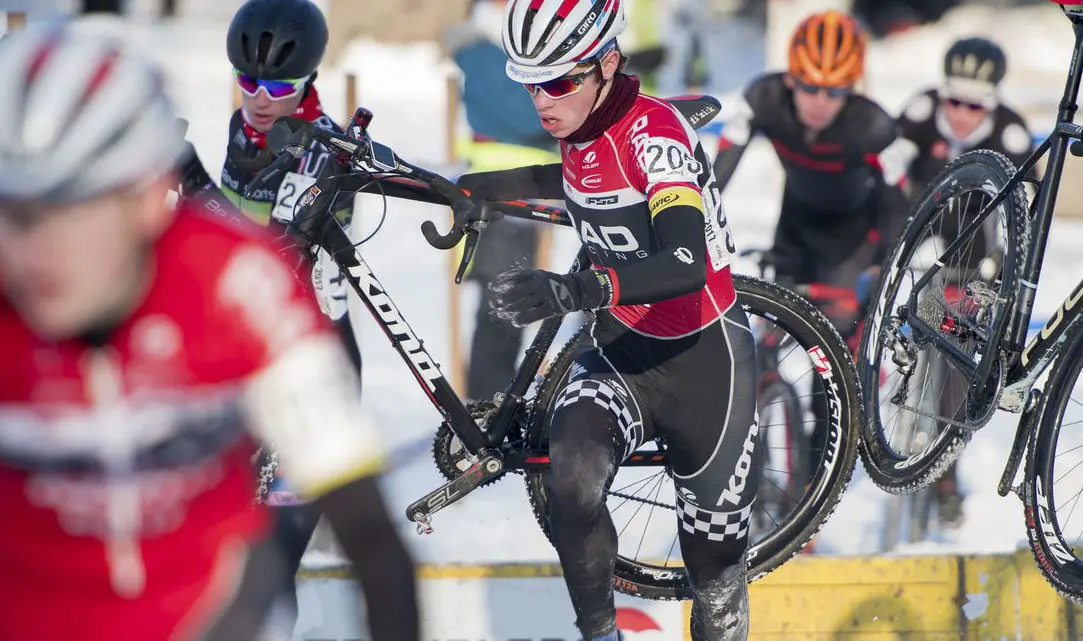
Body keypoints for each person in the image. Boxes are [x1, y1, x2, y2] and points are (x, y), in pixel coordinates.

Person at [0, 21, 419, 641]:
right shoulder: (240, 136)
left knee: (275, 560)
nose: (37, 251)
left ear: (146, 201)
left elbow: (373, 542)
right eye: (15, 213)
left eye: (75, 209)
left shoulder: (238, 278)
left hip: (291, 363)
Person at [456, 1, 759, 639]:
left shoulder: (657, 138)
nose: (543, 98)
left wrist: (576, 289)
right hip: (623, 357)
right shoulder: (583, 123)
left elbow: (684, 259)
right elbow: (574, 178)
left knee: (714, 573)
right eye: (530, 81)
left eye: (559, 80)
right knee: (570, 475)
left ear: (607, 64)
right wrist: (474, 187)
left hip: (706, 361)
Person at [221, 0, 364, 629]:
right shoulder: (243, 128)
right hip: (244, 363)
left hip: (312, 371)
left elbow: (270, 258)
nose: (259, 97)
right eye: (248, 80)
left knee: (271, 567)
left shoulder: (322, 151)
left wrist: (186, 181)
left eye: (278, 86)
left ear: (308, 81)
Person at [712, 9, 914, 349]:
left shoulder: (873, 126)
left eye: (835, 91)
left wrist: (884, 266)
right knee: (767, 347)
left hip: (854, 242)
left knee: (831, 351)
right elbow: (717, 176)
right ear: (790, 78)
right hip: (794, 227)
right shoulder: (764, 97)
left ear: (852, 88)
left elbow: (898, 205)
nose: (820, 101)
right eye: (809, 86)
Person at [895, 36, 1033, 530]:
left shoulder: (1010, 132)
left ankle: (946, 476)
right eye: (953, 100)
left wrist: (998, 262)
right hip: (916, 255)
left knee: (955, 361)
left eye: (974, 105)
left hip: (974, 267)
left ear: (991, 103)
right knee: (896, 335)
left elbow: (1027, 217)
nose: (960, 113)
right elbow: (889, 176)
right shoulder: (919, 110)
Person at [444, 0, 561, 402]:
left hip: (528, 193)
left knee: (517, 303)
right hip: (500, 200)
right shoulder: (485, 45)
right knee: (503, 307)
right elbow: (524, 114)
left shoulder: (514, 41)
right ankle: (486, 405)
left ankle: (501, 399)